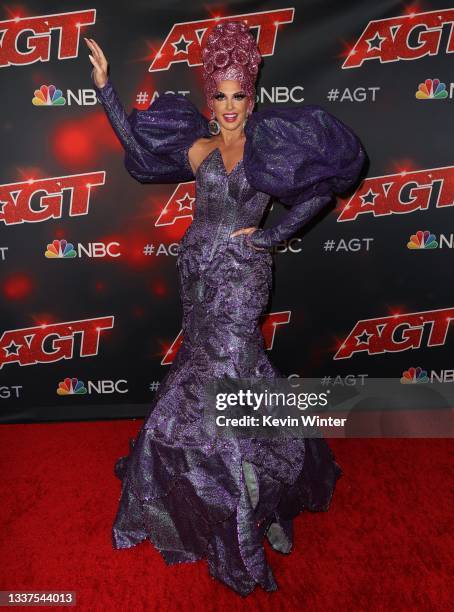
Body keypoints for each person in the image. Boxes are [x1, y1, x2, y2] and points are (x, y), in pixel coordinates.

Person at [84, 20, 366, 597]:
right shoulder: (200, 147)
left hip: (242, 281)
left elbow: (323, 189)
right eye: (221, 94)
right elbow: (138, 152)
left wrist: (270, 235)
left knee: (229, 375)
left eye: (240, 95)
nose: (231, 105)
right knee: (212, 374)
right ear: (209, 95)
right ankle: (261, 493)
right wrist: (107, 90)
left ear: (252, 96)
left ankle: (249, 513)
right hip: (197, 277)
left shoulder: (270, 145)